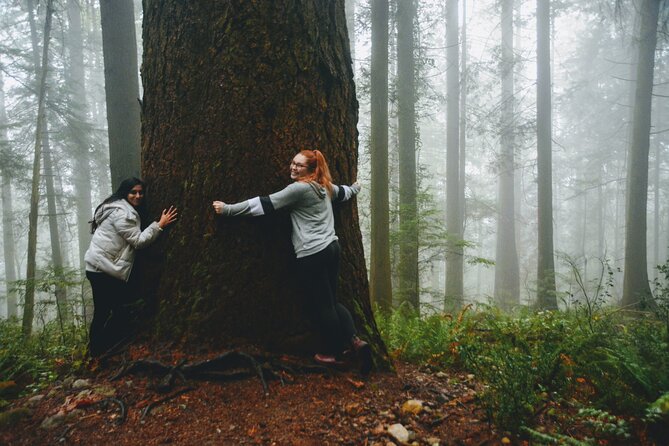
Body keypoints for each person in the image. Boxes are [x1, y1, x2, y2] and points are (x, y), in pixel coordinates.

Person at [212, 149, 373, 374]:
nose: (293, 167)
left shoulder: (298, 189)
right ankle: (355, 342)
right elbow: (343, 192)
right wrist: (355, 188)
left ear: (312, 170)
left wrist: (228, 209)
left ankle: (332, 354)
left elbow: (264, 204)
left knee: (323, 306)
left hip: (313, 253)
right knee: (332, 301)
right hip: (332, 249)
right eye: (293, 163)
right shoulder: (324, 186)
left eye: (299, 165)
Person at [84, 177, 178, 357]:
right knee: (113, 311)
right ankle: (98, 351)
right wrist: (159, 225)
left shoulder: (117, 207)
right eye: (133, 192)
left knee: (110, 311)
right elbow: (138, 241)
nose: (138, 196)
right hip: (103, 270)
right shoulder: (123, 214)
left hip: (99, 267)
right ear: (124, 193)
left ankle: (99, 350)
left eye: (141, 192)